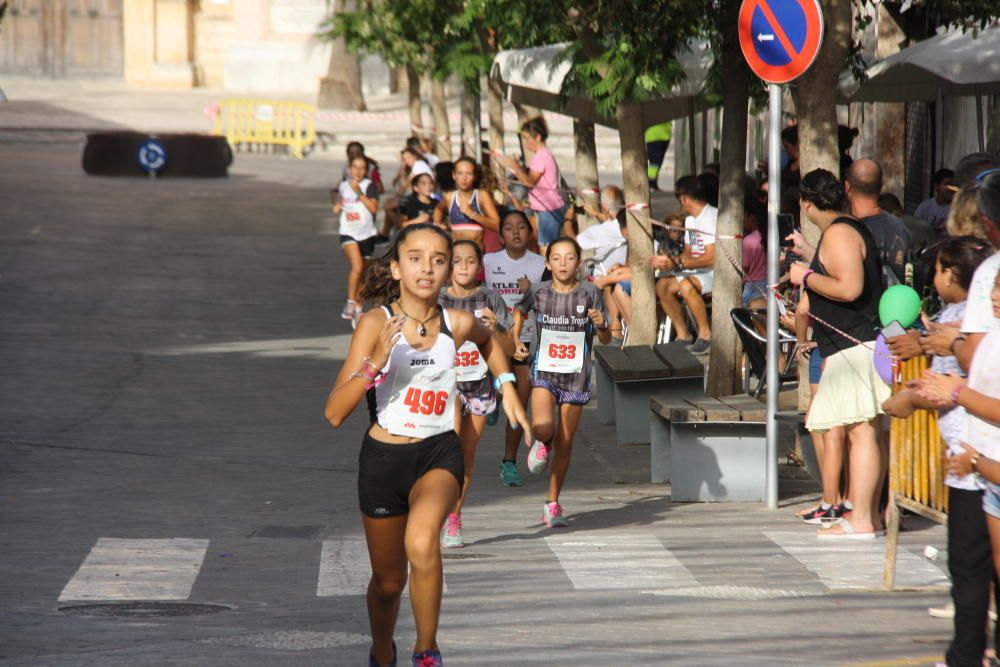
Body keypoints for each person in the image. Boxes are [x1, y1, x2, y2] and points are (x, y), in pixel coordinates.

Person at [323, 224, 531, 667]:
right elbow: (335, 412)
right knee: (387, 580)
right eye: (415, 258)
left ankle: (426, 650)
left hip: (438, 453)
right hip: (383, 461)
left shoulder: (455, 323)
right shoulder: (374, 323)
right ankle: (383, 652)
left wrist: (508, 386)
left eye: (439, 260)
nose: (428, 268)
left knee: (422, 544)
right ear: (396, 268)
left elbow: (490, 342)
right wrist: (375, 362)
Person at [881, 237, 994, 667]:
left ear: (950, 274)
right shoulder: (957, 323)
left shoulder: (960, 323)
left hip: (972, 462)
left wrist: (903, 402)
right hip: (974, 457)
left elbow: (942, 392)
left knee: (969, 567)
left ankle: (966, 654)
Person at [789, 168, 889, 539]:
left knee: (863, 432)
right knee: (866, 430)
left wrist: (805, 276)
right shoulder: (846, 229)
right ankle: (869, 517)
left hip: (853, 345)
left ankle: (861, 519)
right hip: (853, 344)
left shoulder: (840, 232)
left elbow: (849, 287)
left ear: (806, 203)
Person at [514, 237, 611, 527]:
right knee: (545, 427)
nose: (563, 263)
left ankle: (552, 502)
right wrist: (516, 339)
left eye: (570, 258)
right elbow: (518, 311)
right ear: (547, 263)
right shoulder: (538, 291)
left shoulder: (591, 293)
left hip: (576, 376)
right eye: (556, 258)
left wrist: (601, 324)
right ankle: (543, 442)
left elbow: (605, 338)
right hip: (544, 371)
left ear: (578, 263)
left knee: (566, 443)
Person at [438, 241, 515, 548]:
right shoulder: (438, 299)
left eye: (470, 261)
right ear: (448, 265)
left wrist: (496, 328)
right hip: (447, 384)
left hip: (480, 387)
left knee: (466, 457)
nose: (464, 267)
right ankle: (434, 508)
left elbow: (509, 350)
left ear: (479, 265)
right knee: (449, 450)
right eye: (457, 261)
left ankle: (454, 518)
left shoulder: (490, 299)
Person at [483, 212, 547, 487]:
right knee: (501, 385)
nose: (516, 232)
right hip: (494, 336)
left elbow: (548, 299)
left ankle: (509, 461)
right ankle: (493, 393)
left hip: (527, 339)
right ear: (500, 236)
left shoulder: (541, 263)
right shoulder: (488, 261)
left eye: (522, 227)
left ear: (530, 232)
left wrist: (531, 289)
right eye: (509, 228)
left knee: (520, 403)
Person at [648, 175, 715, 354]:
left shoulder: (711, 216)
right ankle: (683, 333)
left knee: (686, 285)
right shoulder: (691, 220)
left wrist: (679, 262)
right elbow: (689, 252)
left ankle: (706, 334)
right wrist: (672, 263)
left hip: (715, 272)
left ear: (684, 198)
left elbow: (712, 258)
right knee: (662, 286)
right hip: (696, 270)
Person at [496, 117, 567, 252]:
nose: (525, 143)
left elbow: (529, 182)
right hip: (545, 208)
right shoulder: (542, 155)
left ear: (538, 137)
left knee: (546, 248)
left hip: (549, 208)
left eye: (527, 138)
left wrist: (514, 166)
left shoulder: (542, 156)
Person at [845, 159, 911, 287]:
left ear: (847, 187)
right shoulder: (899, 227)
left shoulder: (845, 230)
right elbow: (909, 276)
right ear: (881, 186)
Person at [333, 154, 380, 326]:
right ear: (349, 169)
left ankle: (359, 307)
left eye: (362, 168)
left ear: (366, 170)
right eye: (355, 168)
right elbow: (337, 205)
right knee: (357, 266)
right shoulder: (343, 186)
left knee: (363, 274)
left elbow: (374, 208)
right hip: (348, 232)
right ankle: (351, 303)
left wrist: (359, 192)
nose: (358, 172)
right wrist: (337, 205)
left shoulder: (369, 186)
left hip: (367, 234)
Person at [433, 157, 500, 249]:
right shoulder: (449, 196)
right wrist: (438, 224)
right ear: (454, 175)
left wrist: (472, 214)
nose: (464, 178)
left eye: (469, 174)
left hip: (476, 255)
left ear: (475, 176)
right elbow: (438, 209)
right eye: (460, 173)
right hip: (457, 254)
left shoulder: (481, 196)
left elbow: (497, 225)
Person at [741, 193, 768, 310]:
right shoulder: (769, 236)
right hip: (770, 283)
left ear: (751, 217)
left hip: (753, 287)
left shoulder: (748, 241)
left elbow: (744, 268)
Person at [915, 168, 956, 238]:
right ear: (937, 187)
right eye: (947, 184)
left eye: (953, 185)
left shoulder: (957, 208)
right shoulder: (925, 207)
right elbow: (915, 229)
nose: (951, 188)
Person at [645, 121, 673, 191]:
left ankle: (653, 184)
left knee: (656, 161)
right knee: (655, 161)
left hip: (659, 135)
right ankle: (651, 183)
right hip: (657, 135)